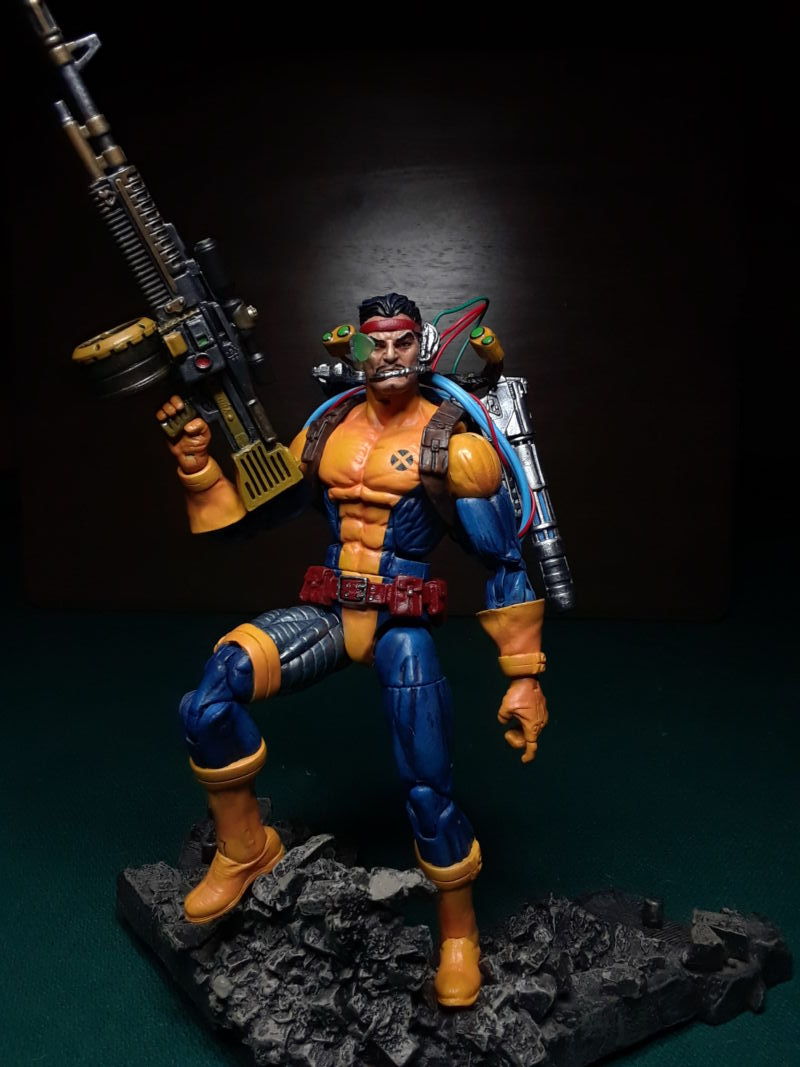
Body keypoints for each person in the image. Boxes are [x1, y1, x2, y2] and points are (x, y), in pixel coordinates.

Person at [155, 292, 549, 1008]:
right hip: (330, 613)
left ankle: (458, 933)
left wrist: (523, 676)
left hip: (402, 627)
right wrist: (198, 468)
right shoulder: (325, 433)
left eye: (403, 342)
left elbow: (503, 561)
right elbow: (254, 514)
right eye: (376, 343)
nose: (389, 356)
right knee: (209, 700)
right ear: (356, 350)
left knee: (427, 786)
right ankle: (246, 850)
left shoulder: (455, 448)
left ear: (422, 346)